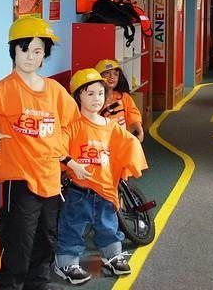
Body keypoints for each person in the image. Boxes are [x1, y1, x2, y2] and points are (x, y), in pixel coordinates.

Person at [0, 16, 86, 290]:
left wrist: (61, 153)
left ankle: (39, 285)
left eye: (37, 51)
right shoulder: (2, 89)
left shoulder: (55, 91)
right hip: (20, 180)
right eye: (24, 49)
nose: (29, 56)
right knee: (18, 244)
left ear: (44, 55)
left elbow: (72, 123)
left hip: (50, 179)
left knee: (46, 240)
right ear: (13, 50)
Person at [55, 69, 147, 285]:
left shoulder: (111, 127)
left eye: (99, 94)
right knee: (72, 227)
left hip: (105, 189)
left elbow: (129, 144)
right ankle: (66, 262)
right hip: (80, 191)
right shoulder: (73, 126)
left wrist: (130, 161)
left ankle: (112, 255)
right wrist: (71, 162)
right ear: (78, 97)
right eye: (90, 94)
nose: (96, 99)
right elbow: (57, 146)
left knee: (108, 225)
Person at [94, 58, 144, 142]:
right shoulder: (93, 99)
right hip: (101, 141)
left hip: (122, 141)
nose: (112, 77)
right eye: (107, 73)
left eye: (115, 74)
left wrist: (140, 131)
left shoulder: (124, 97)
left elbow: (133, 115)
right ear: (99, 76)